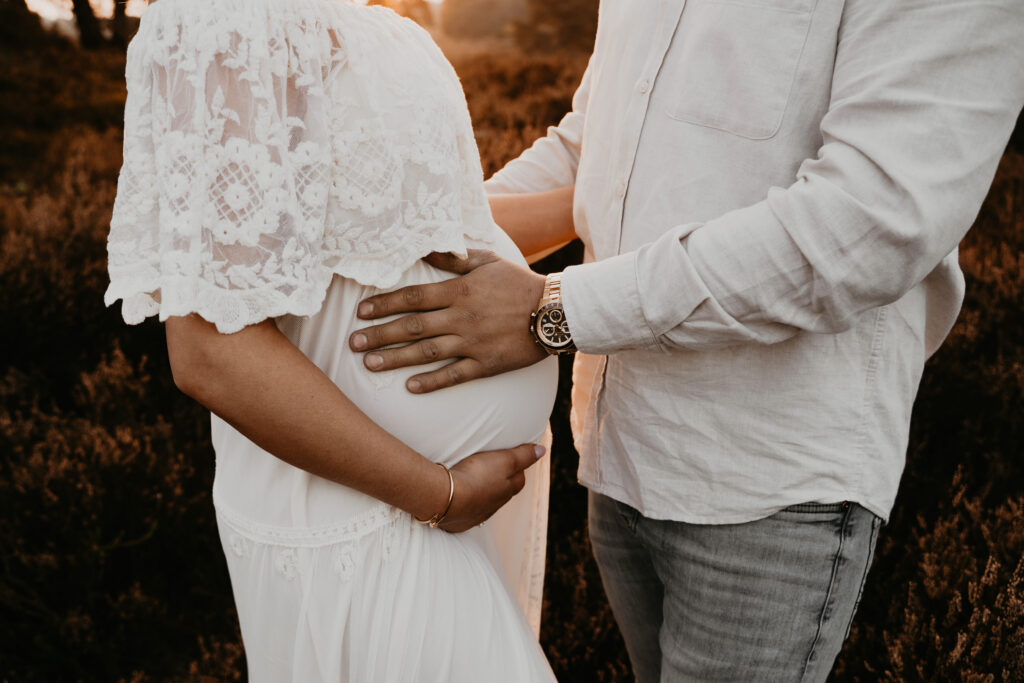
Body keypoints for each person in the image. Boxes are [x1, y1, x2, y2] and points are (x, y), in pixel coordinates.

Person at [348, 0, 1024, 680]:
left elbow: (869, 223)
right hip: (622, 448)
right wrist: (421, 239)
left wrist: (554, 310)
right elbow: (598, 143)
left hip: (770, 484)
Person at [104, 0, 574, 679]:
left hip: (418, 517)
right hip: (366, 518)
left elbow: (413, 223)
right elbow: (210, 351)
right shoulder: (224, 19)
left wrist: (592, 201)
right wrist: (438, 493)